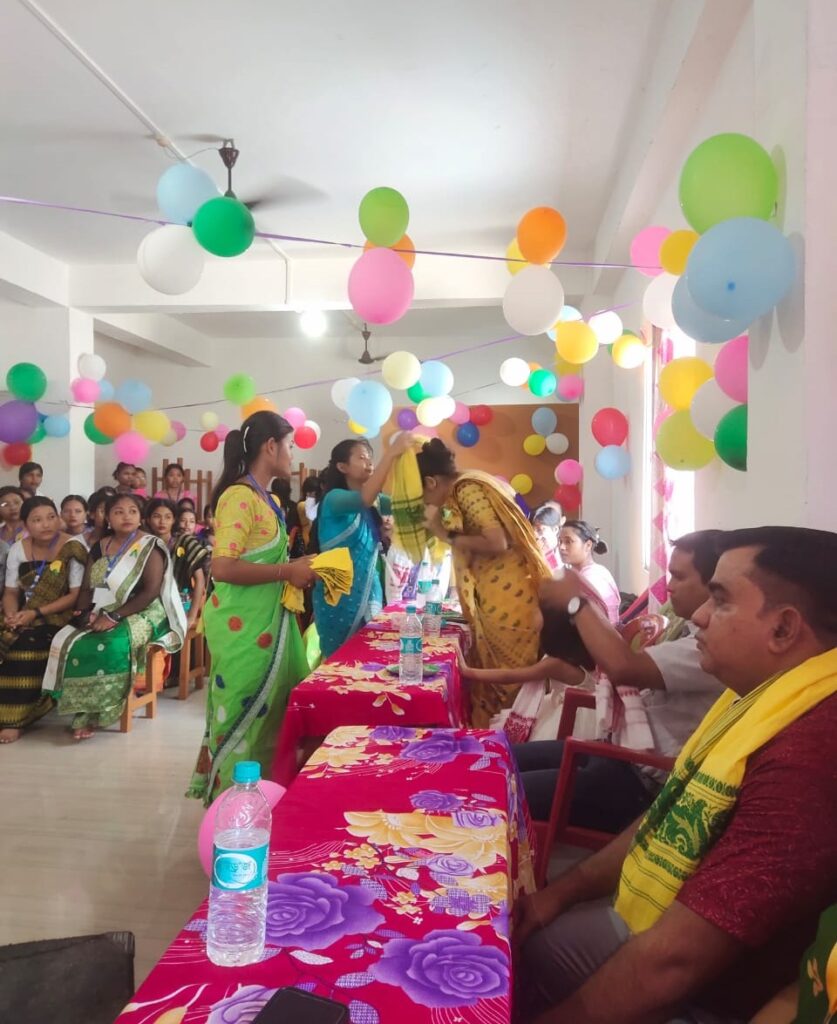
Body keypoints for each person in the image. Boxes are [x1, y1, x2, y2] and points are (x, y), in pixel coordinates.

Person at [516, 526, 837, 1024]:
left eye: (720, 600)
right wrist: (559, 892)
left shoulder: (810, 753)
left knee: (514, 965)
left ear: (783, 629)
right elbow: (669, 813)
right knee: (518, 943)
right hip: (671, 921)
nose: (700, 616)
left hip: (719, 997)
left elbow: (676, 964)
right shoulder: (758, 697)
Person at [516, 531, 725, 830]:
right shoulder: (691, 633)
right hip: (616, 753)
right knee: (502, 758)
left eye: (679, 577)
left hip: (638, 781)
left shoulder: (709, 650)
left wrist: (577, 602)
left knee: (502, 789)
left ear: (716, 587)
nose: (669, 586)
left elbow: (623, 667)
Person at [187, 411, 317, 804]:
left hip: (271, 624)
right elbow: (222, 567)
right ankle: (233, 813)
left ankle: (267, 804)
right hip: (244, 629)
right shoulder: (239, 498)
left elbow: (263, 561)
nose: (293, 453)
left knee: (275, 718)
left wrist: (299, 568)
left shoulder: (269, 500)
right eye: (290, 444)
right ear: (271, 446)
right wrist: (287, 571)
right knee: (242, 719)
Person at [413, 438, 552, 727]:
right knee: (499, 679)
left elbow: (497, 542)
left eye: (421, 495)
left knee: (509, 683)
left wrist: (445, 534)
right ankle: (498, 736)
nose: (425, 503)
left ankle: (508, 740)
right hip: (498, 592)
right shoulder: (467, 485)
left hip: (509, 597)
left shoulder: (467, 488)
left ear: (430, 482)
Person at [46, 493, 185, 741]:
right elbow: (87, 587)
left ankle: (107, 707)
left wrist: (114, 616)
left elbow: (150, 591)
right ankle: (83, 710)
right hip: (104, 609)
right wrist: (83, 614)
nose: (126, 516)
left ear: (140, 517)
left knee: (112, 643)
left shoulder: (150, 545)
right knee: (74, 641)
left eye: (132, 511)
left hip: (145, 611)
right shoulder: (100, 546)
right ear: (107, 518)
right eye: (118, 512)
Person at [313, 435, 410, 658]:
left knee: (370, 656)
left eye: (370, 458)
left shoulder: (376, 501)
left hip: (370, 590)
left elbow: (405, 506)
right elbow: (365, 498)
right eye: (362, 457)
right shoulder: (334, 498)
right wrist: (391, 453)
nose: (369, 462)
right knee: (340, 664)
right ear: (342, 467)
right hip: (339, 597)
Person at [0, 498, 87, 743]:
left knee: (25, 645)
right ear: (26, 524)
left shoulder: (72, 546)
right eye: (37, 520)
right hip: (24, 613)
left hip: (60, 615)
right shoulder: (18, 548)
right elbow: (10, 592)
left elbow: (74, 595)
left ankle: (16, 719)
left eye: (50, 517)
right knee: (10, 632)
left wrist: (35, 613)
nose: (46, 524)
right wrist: (11, 615)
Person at [145, 498, 209, 632]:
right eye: (157, 516)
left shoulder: (185, 541)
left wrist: (191, 616)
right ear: (148, 519)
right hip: (151, 603)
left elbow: (200, 580)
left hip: (180, 603)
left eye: (167, 517)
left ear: (174, 520)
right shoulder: (144, 544)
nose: (162, 521)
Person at [558, 520, 622, 623]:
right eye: (560, 541)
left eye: (568, 542)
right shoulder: (596, 570)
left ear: (588, 545)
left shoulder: (592, 578)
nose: (561, 547)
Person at [532, 504, 564, 575]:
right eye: (533, 530)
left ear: (555, 529)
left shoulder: (566, 554)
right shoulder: (534, 550)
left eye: (539, 530)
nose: (535, 535)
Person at [298, 475, 322, 549]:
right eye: (306, 492)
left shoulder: (321, 504)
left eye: (311, 492)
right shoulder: (303, 504)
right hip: (309, 540)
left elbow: (311, 516)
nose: (308, 494)